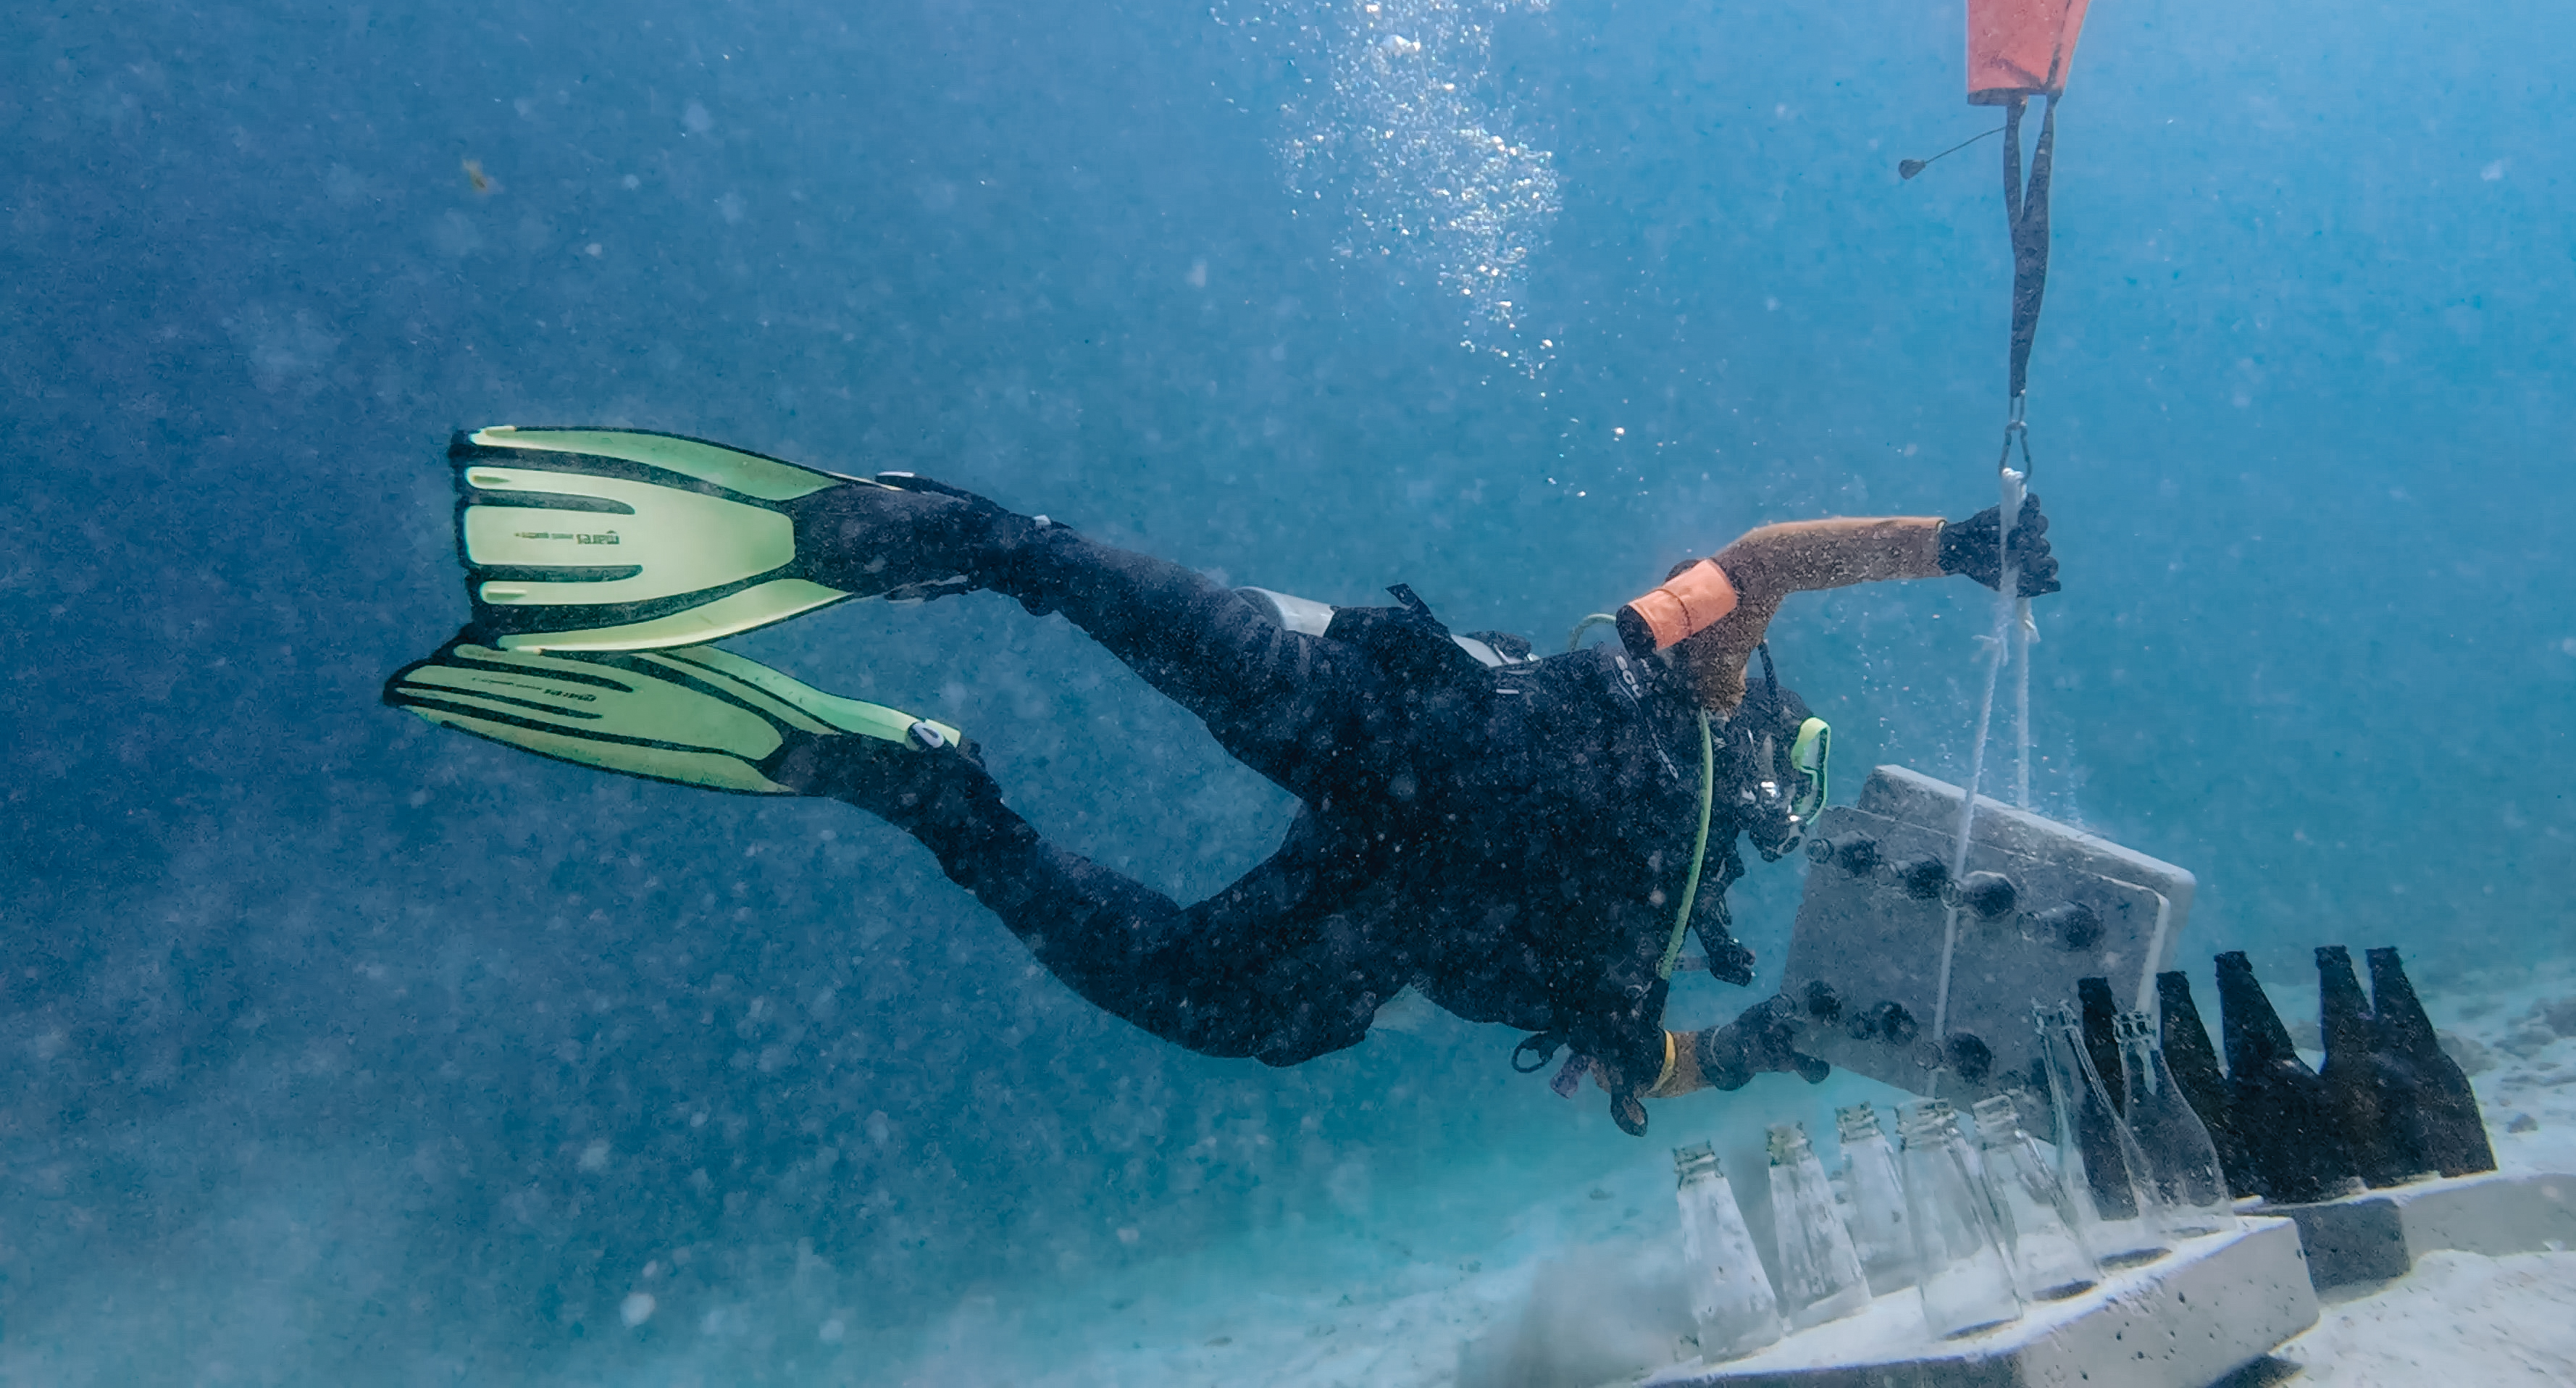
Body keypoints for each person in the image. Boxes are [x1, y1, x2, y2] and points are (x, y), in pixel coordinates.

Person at [388, 427, 2059, 1134]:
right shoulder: (1698, 696)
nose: (1793, 797)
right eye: (1805, 761)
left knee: (1211, 1002)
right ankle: (964, 538)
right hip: (1401, 727)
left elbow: (1642, 1075)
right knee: (1182, 635)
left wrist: (1747, 1053)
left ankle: (935, 795)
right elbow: (1769, 559)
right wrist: (1953, 543)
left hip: (1382, 917)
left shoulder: (1655, 946)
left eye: (1807, 788)